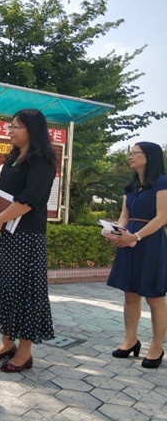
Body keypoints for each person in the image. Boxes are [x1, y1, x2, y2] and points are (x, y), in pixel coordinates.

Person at [0, 109, 57, 373]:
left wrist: (0, 218)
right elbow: (1, 194)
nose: (10, 130)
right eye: (10, 126)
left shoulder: (43, 162)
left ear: (32, 130)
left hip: (27, 237)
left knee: (25, 292)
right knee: (4, 288)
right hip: (5, 233)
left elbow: (29, 200)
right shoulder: (12, 159)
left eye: (16, 126)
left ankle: (25, 353)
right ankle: (6, 343)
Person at [106, 141, 167, 369]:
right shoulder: (130, 187)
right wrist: (116, 232)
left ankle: (157, 346)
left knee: (154, 297)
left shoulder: (162, 182)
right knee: (130, 294)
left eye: (135, 153)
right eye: (129, 153)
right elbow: (124, 216)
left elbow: (162, 217)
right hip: (129, 241)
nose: (130, 156)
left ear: (150, 156)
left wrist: (136, 236)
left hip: (150, 242)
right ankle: (130, 340)